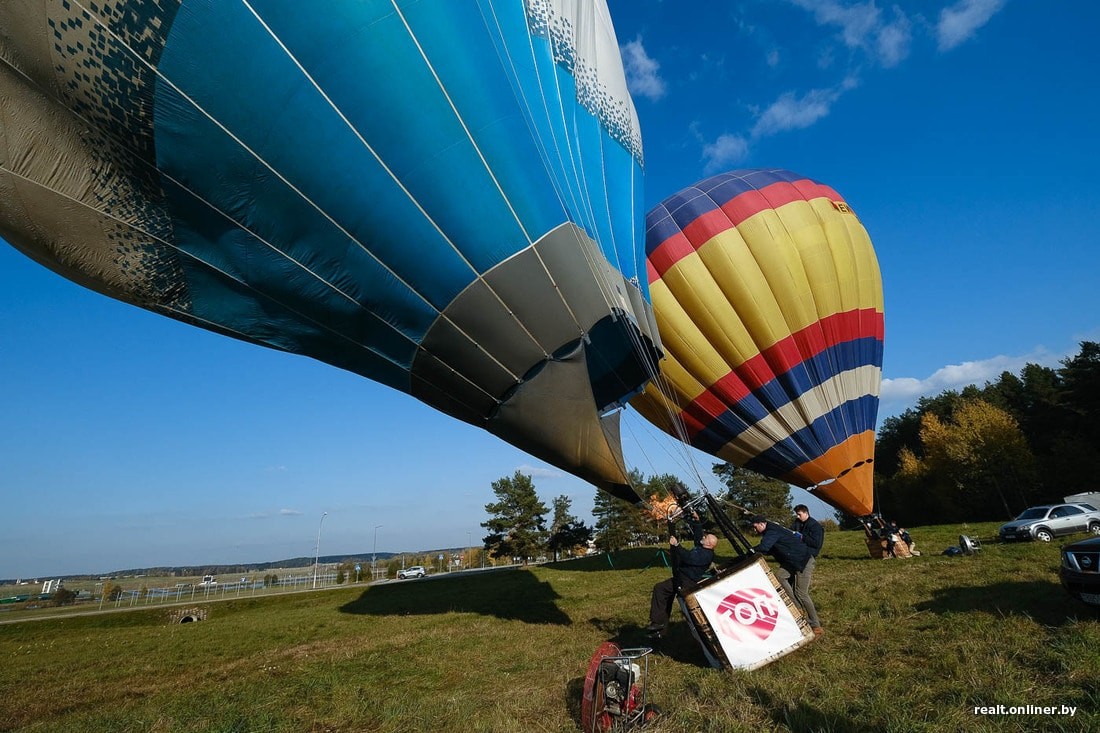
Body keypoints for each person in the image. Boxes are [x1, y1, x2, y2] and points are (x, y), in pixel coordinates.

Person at [646, 511, 718, 637]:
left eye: (706, 538)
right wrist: (696, 520)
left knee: (690, 608)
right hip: (681, 577)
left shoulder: (706, 555)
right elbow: (698, 535)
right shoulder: (702, 548)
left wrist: (677, 545)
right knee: (660, 589)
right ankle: (658, 624)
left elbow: (689, 558)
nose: (704, 537)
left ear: (709, 544)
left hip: (687, 582)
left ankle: (706, 629)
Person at [749, 513, 822, 636]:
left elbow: (765, 547)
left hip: (802, 561)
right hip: (792, 560)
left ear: (762, 524)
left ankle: (815, 624)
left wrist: (751, 550)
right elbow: (769, 549)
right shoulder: (771, 530)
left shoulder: (772, 531)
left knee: (801, 593)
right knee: (780, 576)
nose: (754, 529)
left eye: (755, 527)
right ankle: (797, 606)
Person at [788, 505, 824, 634]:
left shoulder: (815, 526)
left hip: (807, 557)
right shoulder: (797, 523)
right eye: (796, 515)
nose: (797, 517)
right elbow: (790, 532)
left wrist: (802, 537)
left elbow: (816, 544)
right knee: (783, 578)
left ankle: (815, 623)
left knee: (801, 592)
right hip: (796, 556)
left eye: (799, 514)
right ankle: (798, 609)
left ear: (806, 513)